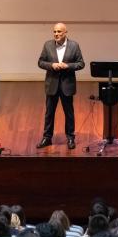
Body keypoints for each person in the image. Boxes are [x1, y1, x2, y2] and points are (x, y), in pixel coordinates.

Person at [36, 22, 84, 150]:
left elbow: (81, 64)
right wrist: (51, 65)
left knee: (69, 113)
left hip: (67, 85)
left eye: (59, 32)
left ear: (65, 33)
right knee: (49, 113)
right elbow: (40, 62)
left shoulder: (74, 46)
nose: (56, 34)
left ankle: (70, 138)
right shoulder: (47, 45)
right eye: (55, 32)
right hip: (52, 84)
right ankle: (47, 137)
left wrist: (68, 66)